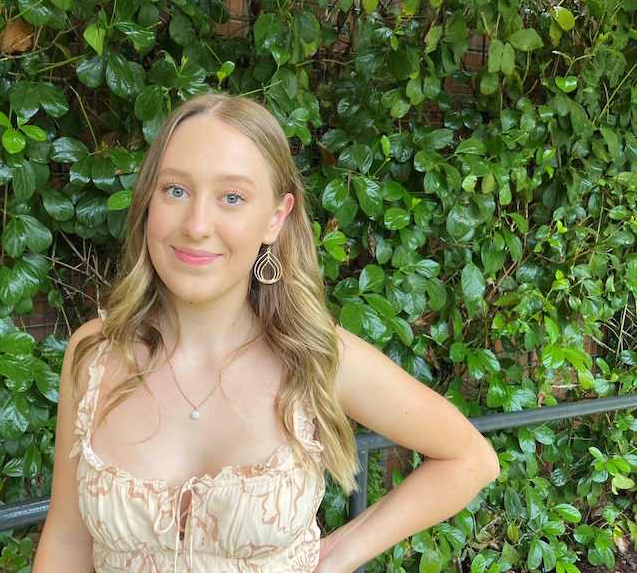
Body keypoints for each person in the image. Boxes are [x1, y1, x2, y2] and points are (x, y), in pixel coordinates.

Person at [32, 93, 500, 573]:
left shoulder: (313, 355)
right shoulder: (93, 354)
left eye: (231, 197)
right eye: (175, 190)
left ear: (275, 218)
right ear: (149, 200)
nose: (196, 225)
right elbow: (68, 541)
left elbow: (469, 458)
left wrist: (336, 556)